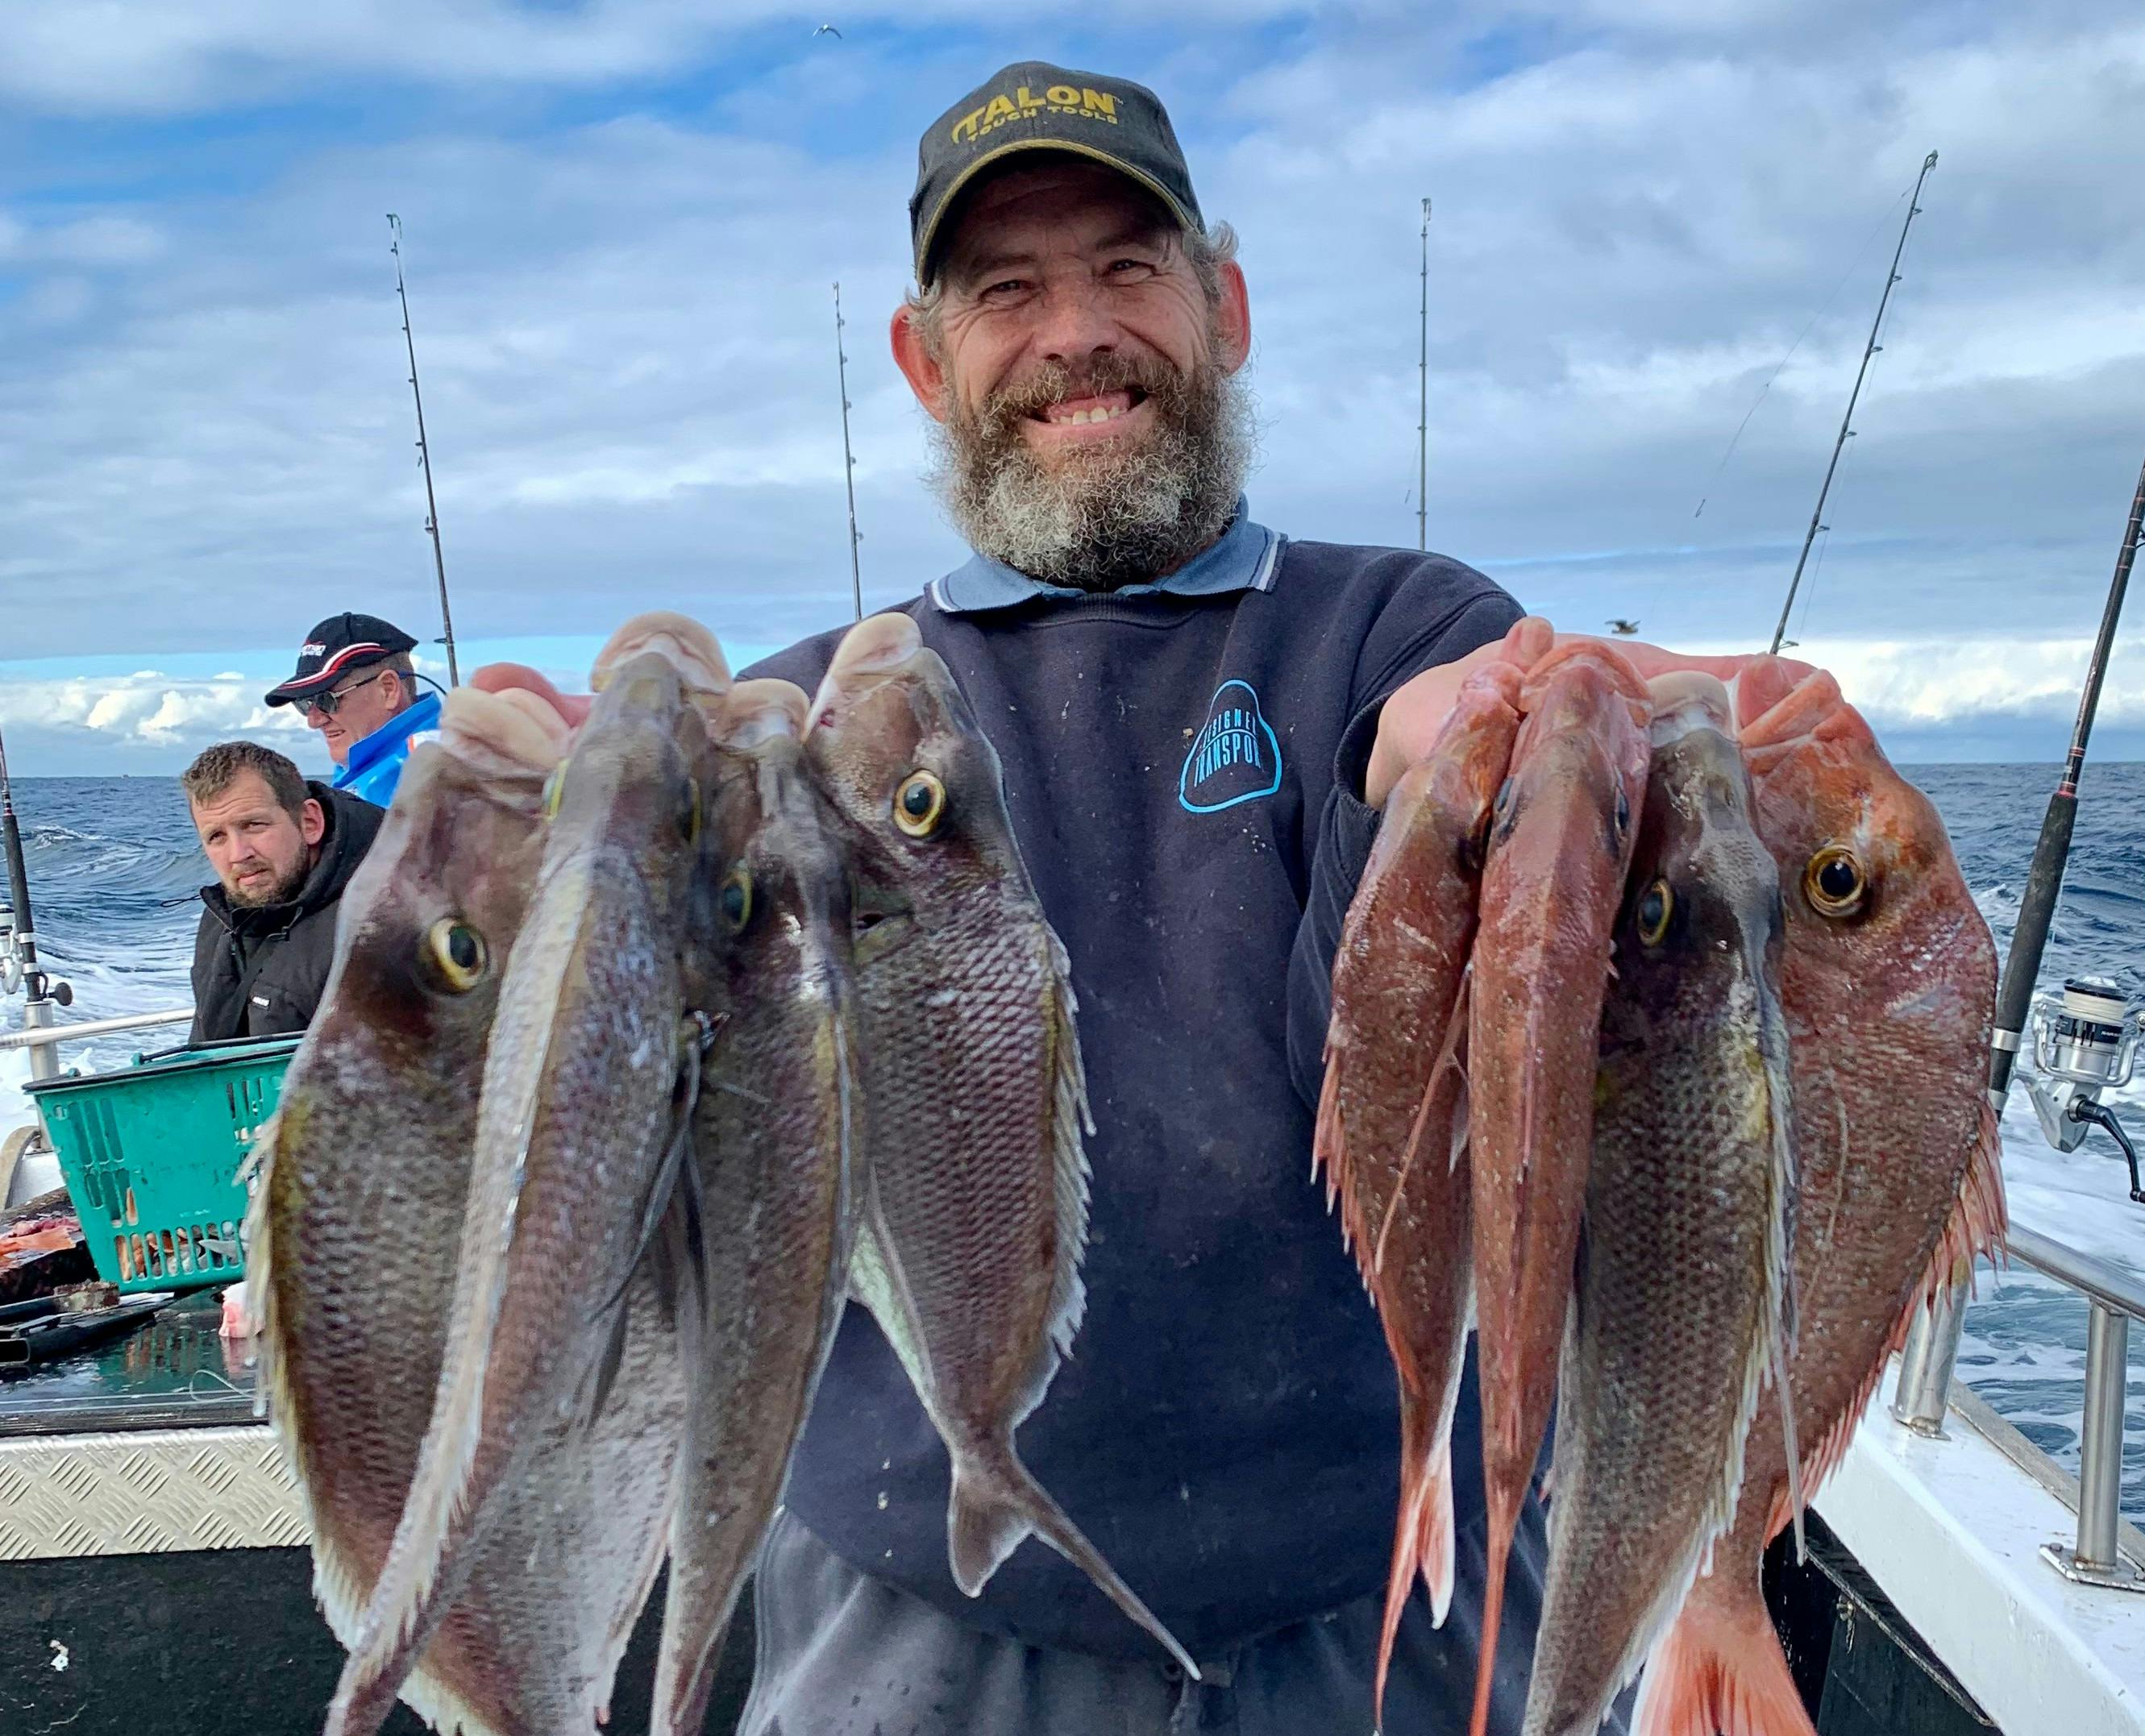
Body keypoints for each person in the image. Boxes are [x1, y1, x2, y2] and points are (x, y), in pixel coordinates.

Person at [480, 58, 1621, 1736]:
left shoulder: (1400, 627)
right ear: (922, 360)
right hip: (911, 1590)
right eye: (1005, 291)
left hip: (1386, 1588)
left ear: (1225, 311)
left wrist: (1463, 775)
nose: (1075, 334)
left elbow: (1418, 1025)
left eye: (1127, 269)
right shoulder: (808, 725)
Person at [182, 740, 383, 1045]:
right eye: (216, 836)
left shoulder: (379, 925)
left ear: (310, 823)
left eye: (253, 825)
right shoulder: (221, 920)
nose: (238, 854)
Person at [263, 612, 441, 806]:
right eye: (305, 703)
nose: (314, 721)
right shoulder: (367, 763)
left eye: (326, 700)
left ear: (388, 690)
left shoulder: (430, 774)